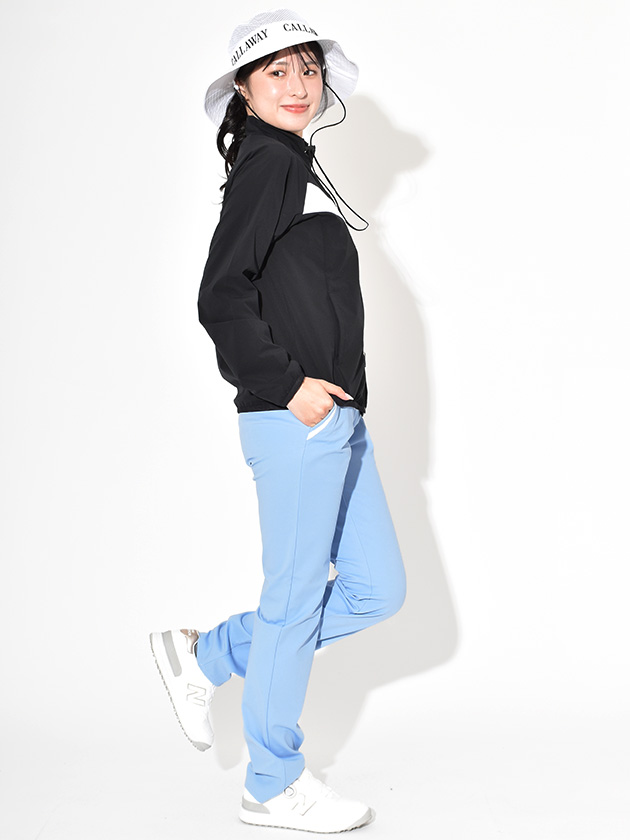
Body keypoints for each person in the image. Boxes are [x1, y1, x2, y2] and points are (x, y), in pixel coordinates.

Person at [150, 9, 406, 834]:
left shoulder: (294, 163)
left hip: (337, 422)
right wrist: (292, 388)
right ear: (245, 90)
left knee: (377, 589)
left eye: (308, 68)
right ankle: (271, 781)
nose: (298, 85)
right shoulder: (267, 164)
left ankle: (210, 653)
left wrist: (338, 404)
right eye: (277, 71)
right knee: (293, 604)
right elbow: (219, 297)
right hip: (294, 419)